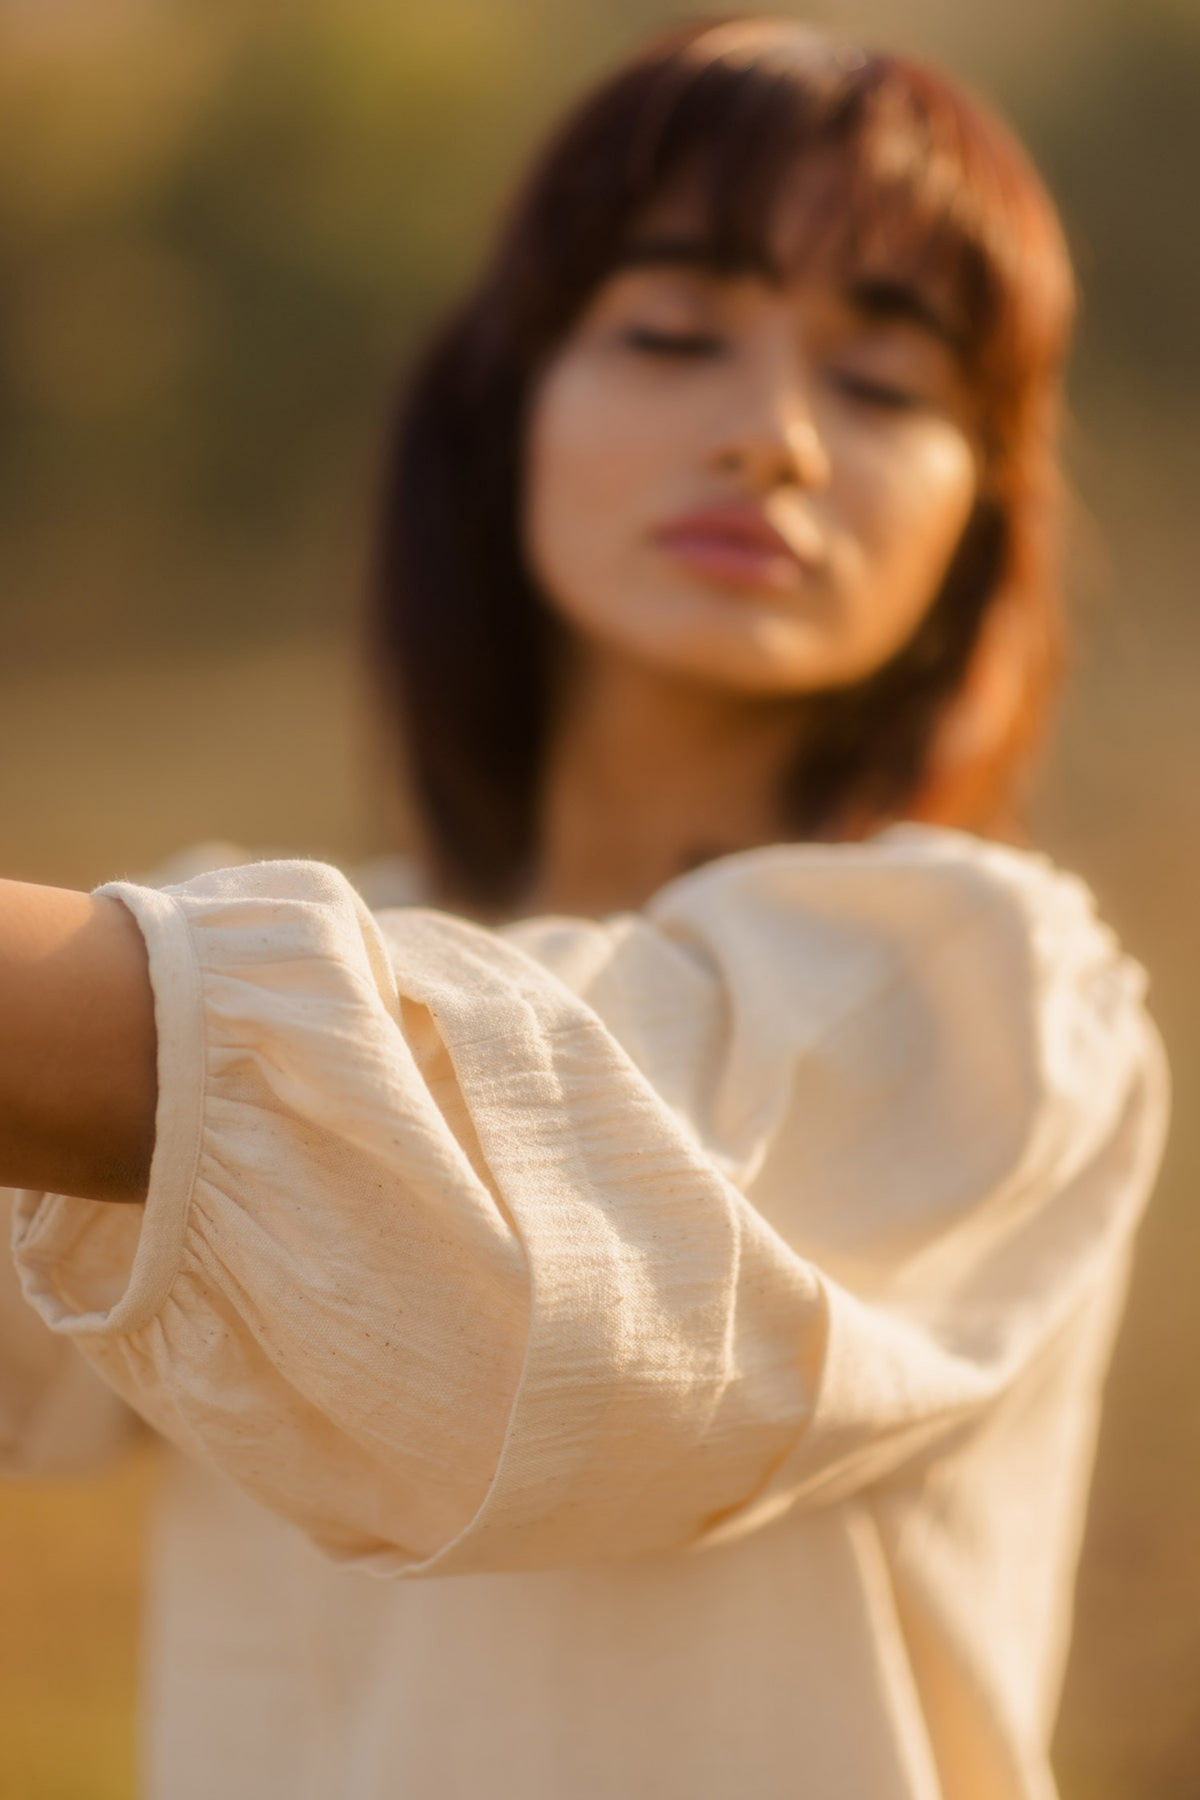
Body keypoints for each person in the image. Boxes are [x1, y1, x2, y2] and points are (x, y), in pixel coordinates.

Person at [0, 15, 1170, 1800]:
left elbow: (490, 1223)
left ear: (976, 516)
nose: (772, 437)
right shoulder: (256, 938)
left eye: (885, 384)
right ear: (505, 413)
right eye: (673, 333)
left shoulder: (991, 996)